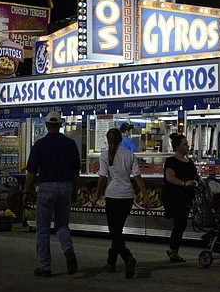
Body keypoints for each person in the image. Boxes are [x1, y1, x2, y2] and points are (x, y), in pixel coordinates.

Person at [22, 111, 80, 278]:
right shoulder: (70, 144)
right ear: (60, 125)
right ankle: (68, 249)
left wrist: (26, 191)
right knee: (62, 224)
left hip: (46, 188)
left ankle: (45, 266)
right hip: (66, 187)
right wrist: (74, 191)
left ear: (47, 126)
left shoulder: (40, 145)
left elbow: (32, 172)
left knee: (42, 228)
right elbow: (76, 171)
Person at [92, 127, 150, 278]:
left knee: (114, 231)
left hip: (112, 196)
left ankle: (128, 257)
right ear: (120, 139)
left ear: (107, 139)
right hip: (127, 196)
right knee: (117, 230)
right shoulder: (129, 154)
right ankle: (111, 262)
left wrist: (97, 195)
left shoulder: (105, 155)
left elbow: (102, 177)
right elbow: (137, 176)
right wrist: (145, 195)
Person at [162, 132, 200, 263]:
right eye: (185, 144)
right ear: (177, 147)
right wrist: (184, 184)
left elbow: (195, 175)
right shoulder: (171, 161)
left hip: (186, 197)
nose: (188, 146)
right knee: (179, 223)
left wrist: (200, 181)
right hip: (175, 196)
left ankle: (174, 250)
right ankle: (173, 250)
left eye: (187, 144)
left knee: (181, 223)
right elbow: (169, 177)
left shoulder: (189, 161)